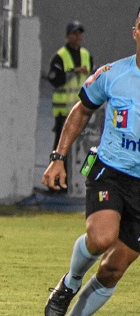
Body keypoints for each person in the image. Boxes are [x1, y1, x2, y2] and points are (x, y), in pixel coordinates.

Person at [42, 8, 140, 316]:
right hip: (110, 170)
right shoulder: (113, 75)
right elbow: (82, 109)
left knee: (114, 269)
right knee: (101, 238)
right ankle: (68, 284)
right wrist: (58, 158)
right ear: (135, 31)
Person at [46, 20, 93, 192]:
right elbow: (54, 79)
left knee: (88, 146)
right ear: (68, 36)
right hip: (64, 110)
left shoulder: (87, 55)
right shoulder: (60, 56)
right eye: (74, 33)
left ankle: (82, 182)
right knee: (61, 147)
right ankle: (56, 182)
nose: (78, 36)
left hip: (84, 110)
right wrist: (74, 72)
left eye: (80, 33)